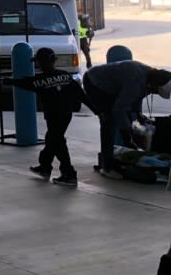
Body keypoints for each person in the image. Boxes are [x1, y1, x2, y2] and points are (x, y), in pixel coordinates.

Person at [9, 47, 97, 187]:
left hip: (53, 115)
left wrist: (8, 81)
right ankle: (45, 167)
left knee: (58, 142)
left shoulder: (40, 80)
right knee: (52, 139)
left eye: (38, 62)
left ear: (42, 62)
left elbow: (25, 83)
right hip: (66, 115)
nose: (38, 65)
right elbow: (81, 94)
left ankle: (69, 174)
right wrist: (96, 110)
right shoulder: (65, 75)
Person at [82, 60, 171, 179]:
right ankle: (107, 167)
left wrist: (139, 116)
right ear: (155, 84)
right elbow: (119, 109)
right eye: (156, 91)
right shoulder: (136, 80)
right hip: (95, 83)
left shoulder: (151, 77)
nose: (153, 93)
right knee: (108, 122)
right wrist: (128, 132)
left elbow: (137, 97)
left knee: (122, 120)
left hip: (113, 86)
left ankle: (120, 155)